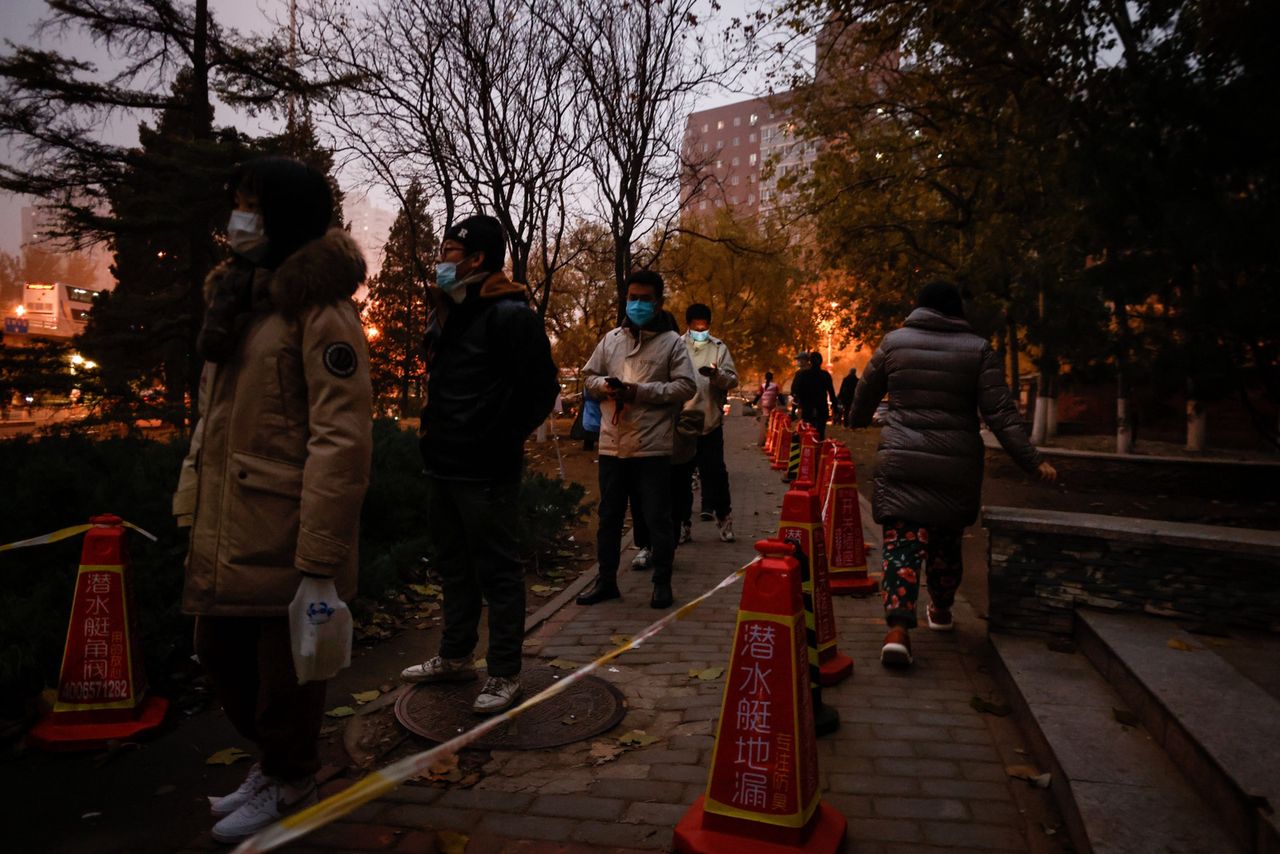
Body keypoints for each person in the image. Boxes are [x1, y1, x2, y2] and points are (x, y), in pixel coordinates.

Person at [173, 157, 373, 843]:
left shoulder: (320, 311)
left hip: (288, 527)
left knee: (285, 674)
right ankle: (275, 764)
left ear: (284, 213)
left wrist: (320, 553)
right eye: (237, 204)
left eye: (251, 205)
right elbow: (214, 423)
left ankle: (291, 775)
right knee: (219, 653)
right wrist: (191, 500)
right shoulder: (240, 302)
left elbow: (341, 437)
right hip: (232, 521)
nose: (238, 219)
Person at [848, 281, 1057, 668]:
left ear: (920, 308)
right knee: (946, 544)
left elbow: (865, 394)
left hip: (902, 461)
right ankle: (941, 610)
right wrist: (1032, 461)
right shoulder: (978, 349)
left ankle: (897, 630)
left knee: (901, 546)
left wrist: (856, 419)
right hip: (954, 465)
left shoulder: (894, 343)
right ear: (956, 310)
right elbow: (1002, 415)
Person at [400, 215, 559, 715]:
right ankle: (455, 656)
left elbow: (542, 390)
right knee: (454, 566)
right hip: (443, 462)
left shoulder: (512, 316)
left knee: (498, 571)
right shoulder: (448, 309)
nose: (442, 260)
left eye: (449, 251)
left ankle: (505, 672)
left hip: (486, 468)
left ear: (476, 259)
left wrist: (499, 437)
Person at [578, 271, 696, 609]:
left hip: (652, 446)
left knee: (657, 517)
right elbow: (589, 376)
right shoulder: (611, 339)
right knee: (609, 517)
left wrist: (639, 392)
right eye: (633, 298)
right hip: (613, 444)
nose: (638, 304)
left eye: (645, 299)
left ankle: (661, 583)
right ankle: (606, 581)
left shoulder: (672, 342)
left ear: (658, 302)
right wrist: (606, 387)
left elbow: (685, 387)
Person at [677, 303, 739, 541]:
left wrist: (716, 375)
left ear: (709, 326)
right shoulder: (677, 346)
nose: (700, 330)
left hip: (710, 420)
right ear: (689, 326)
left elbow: (732, 380)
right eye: (696, 326)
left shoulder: (719, 348)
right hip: (683, 422)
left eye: (704, 327)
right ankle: (682, 523)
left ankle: (724, 519)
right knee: (681, 476)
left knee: (716, 474)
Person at [791, 351, 840, 440]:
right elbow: (831, 393)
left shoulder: (803, 374)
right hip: (821, 408)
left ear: (810, 361)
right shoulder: (825, 375)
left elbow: (795, 391)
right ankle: (819, 449)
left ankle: (807, 450)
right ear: (821, 362)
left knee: (806, 431)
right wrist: (835, 408)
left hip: (807, 408)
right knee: (820, 432)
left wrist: (796, 406)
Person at [752, 370, 781, 446]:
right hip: (772, 404)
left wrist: (754, 402)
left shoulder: (763, 385)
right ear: (772, 378)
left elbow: (758, 395)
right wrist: (783, 403)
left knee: (765, 419)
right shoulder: (775, 386)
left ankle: (764, 439)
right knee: (772, 420)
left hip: (764, 405)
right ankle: (770, 437)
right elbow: (779, 395)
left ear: (765, 378)